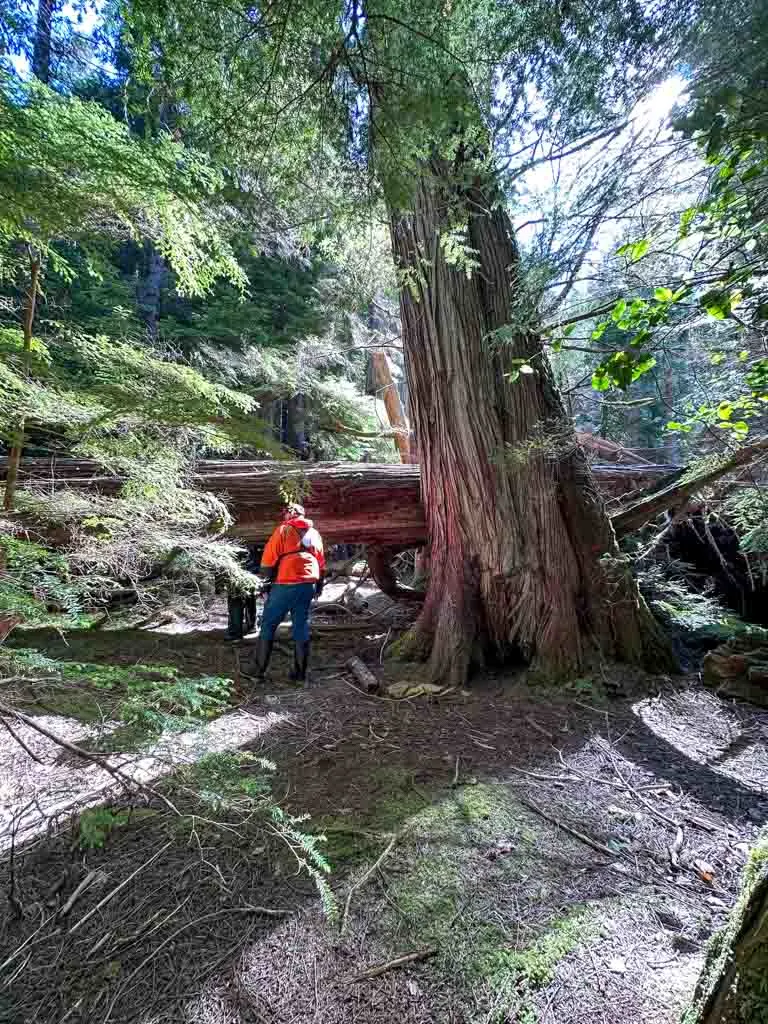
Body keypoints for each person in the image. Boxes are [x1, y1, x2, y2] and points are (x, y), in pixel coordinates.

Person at [250, 502, 325, 684]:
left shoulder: (283, 530)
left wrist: (265, 584)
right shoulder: (314, 534)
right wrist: (319, 586)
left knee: (268, 624)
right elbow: (321, 563)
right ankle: (299, 675)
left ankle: (257, 672)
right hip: (308, 584)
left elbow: (268, 561)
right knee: (301, 626)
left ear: (288, 515)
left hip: (285, 584)